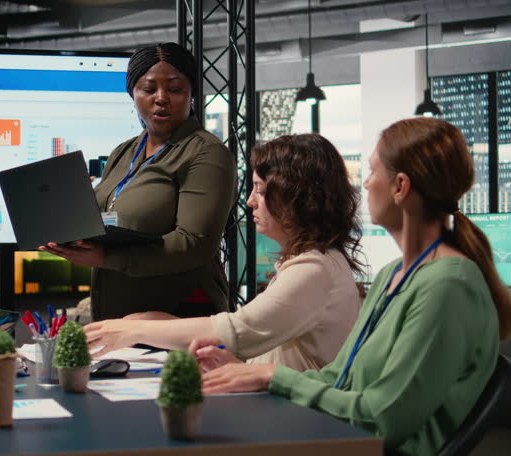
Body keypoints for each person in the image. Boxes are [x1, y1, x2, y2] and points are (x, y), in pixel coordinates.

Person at [199, 117, 511, 456]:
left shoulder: (448, 286)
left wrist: (274, 377)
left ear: (400, 187)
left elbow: (382, 420)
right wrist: (250, 374)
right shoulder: (396, 273)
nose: (364, 185)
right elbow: (340, 378)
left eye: (373, 172)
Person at [84, 133, 364, 373]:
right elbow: (259, 342)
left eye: (261, 190)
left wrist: (134, 331)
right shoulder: (313, 263)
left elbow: (240, 332)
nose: (251, 202)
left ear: (297, 198)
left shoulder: (314, 269)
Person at [40, 42, 237, 320]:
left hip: (181, 320)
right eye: (148, 88)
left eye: (175, 88)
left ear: (191, 92)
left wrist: (105, 258)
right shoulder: (124, 152)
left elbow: (194, 245)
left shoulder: (207, 153)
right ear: (132, 93)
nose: (161, 98)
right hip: (117, 318)